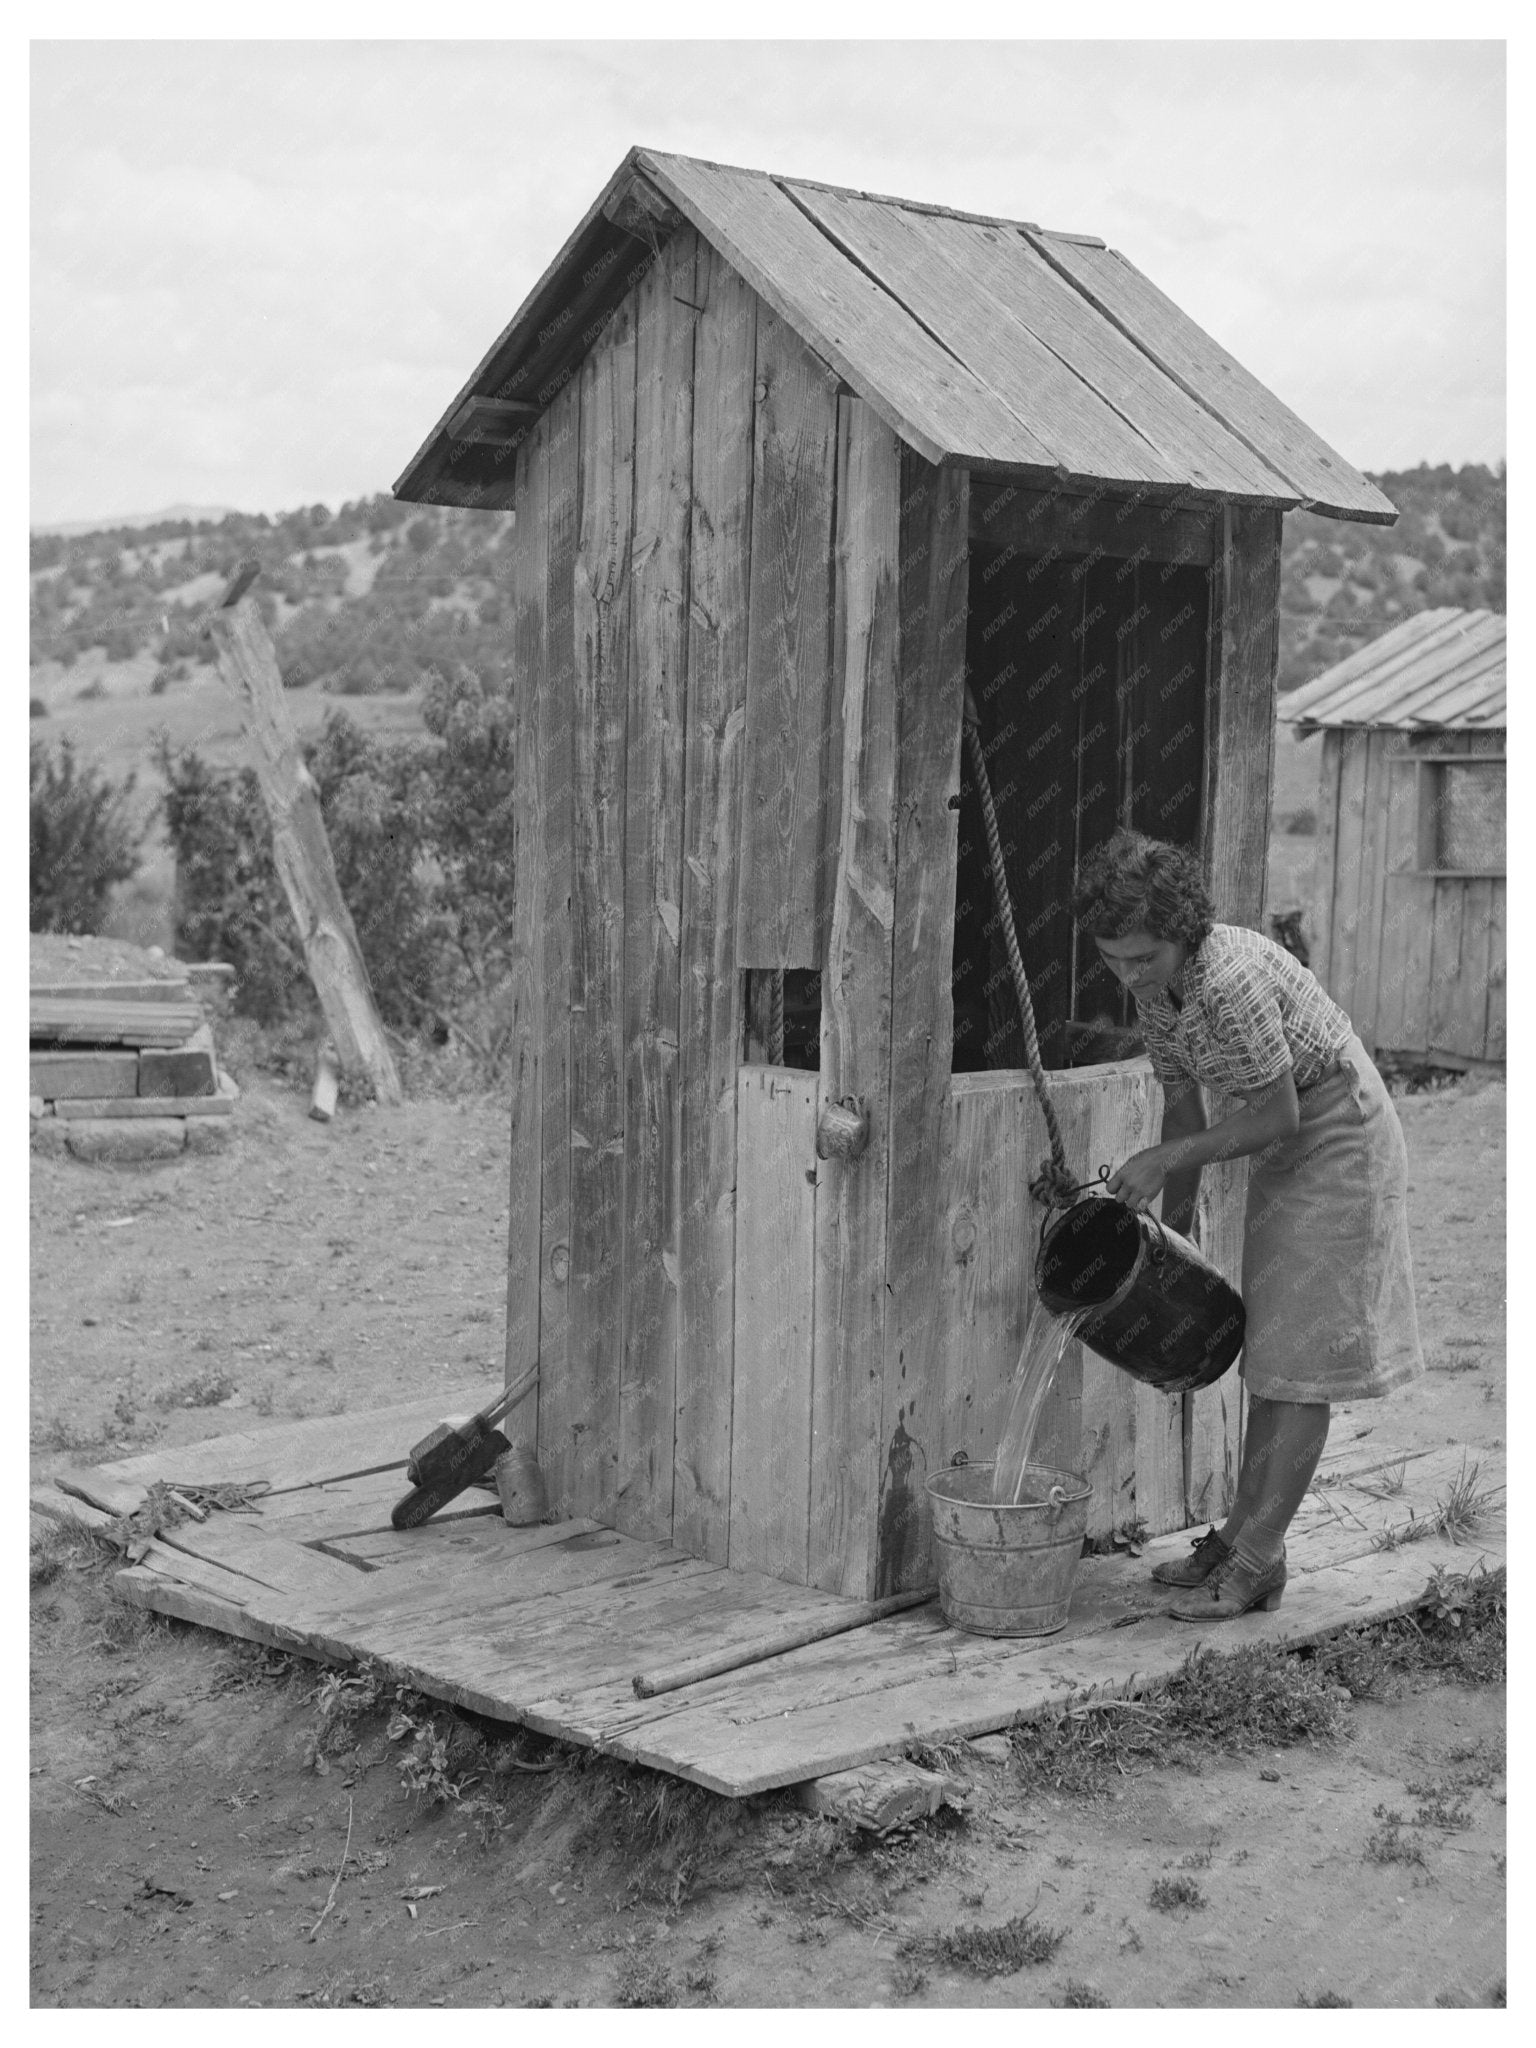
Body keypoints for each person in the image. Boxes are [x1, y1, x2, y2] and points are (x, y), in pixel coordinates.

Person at [1071, 829, 1424, 1619]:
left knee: (1300, 1365)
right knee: (1270, 1356)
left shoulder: (1225, 977)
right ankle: (1238, 1537)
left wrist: (1166, 1162)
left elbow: (1278, 1112)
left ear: (1183, 933)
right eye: (1113, 958)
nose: (1127, 974)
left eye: (1143, 958)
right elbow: (1183, 1104)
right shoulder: (1156, 985)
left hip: (1339, 1134)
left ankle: (1261, 1557)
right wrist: (1168, 1243)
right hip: (1291, 1143)